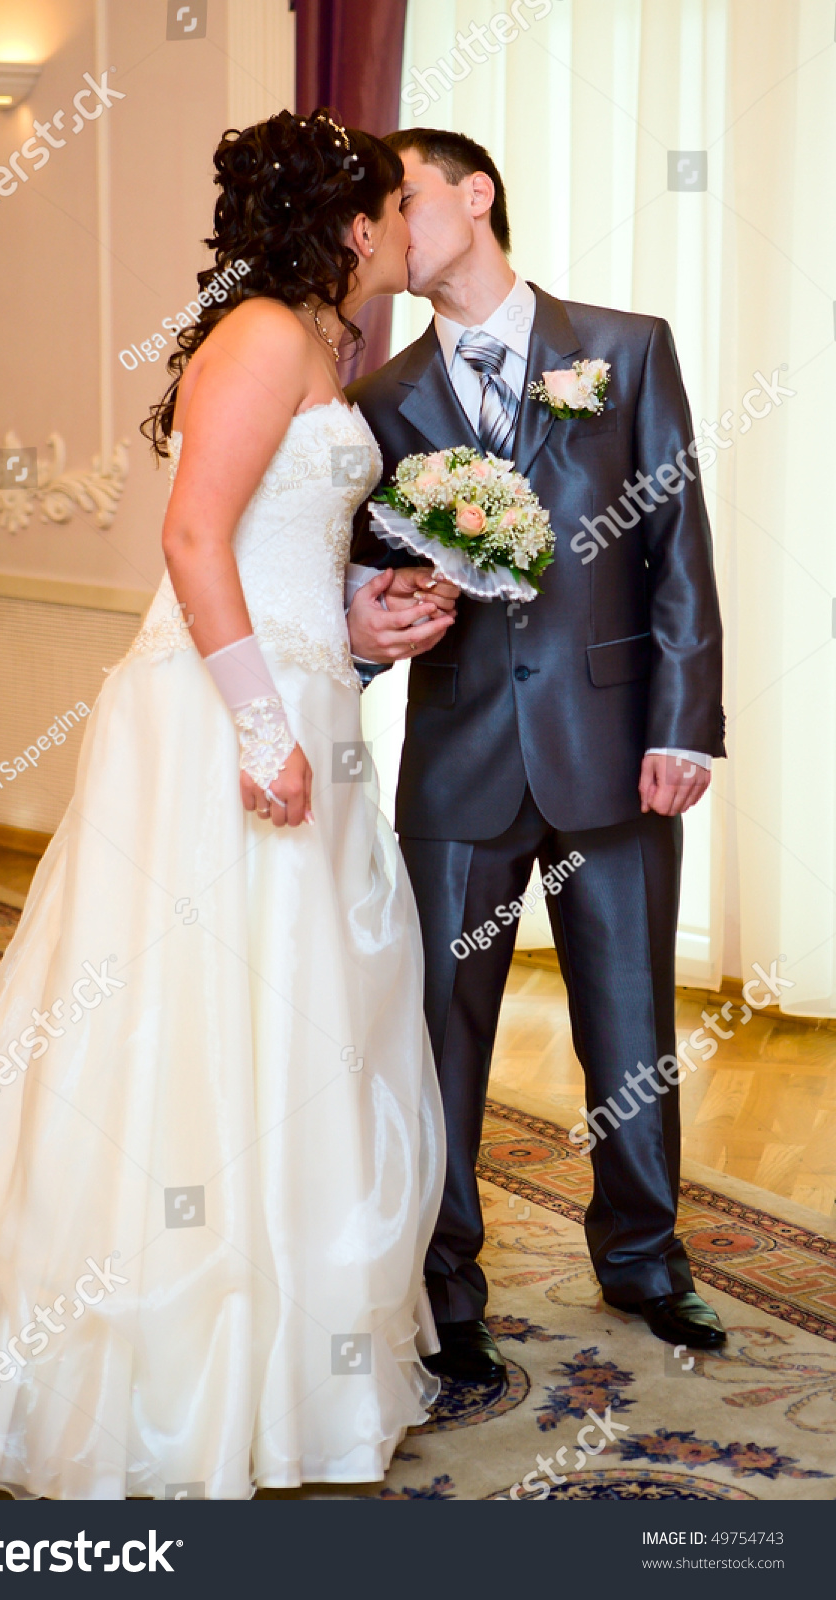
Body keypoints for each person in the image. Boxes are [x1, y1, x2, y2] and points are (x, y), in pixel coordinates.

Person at [0, 109, 447, 1501]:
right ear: (352, 227)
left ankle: (287, 1364)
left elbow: (270, 543)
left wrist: (365, 606)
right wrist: (257, 724)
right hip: (225, 723)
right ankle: (137, 1374)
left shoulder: (312, 340)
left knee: (296, 1025)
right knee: (188, 1023)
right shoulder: (264, 340)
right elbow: (189, 537)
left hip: (299, 699)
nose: (411, 231)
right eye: (398, 210)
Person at [345, 128, 727, 1382]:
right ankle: (447, 1280)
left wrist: (682, 722)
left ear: (473, 195)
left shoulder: (623, 349)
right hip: (457, 754)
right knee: (441, 1026)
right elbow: (364, 579)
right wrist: (374, 628)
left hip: (616, 742)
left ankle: (643, 1257)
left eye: (403, 198)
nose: (388, 226)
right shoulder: (382, 395)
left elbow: (675, 548)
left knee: (627, 1021)